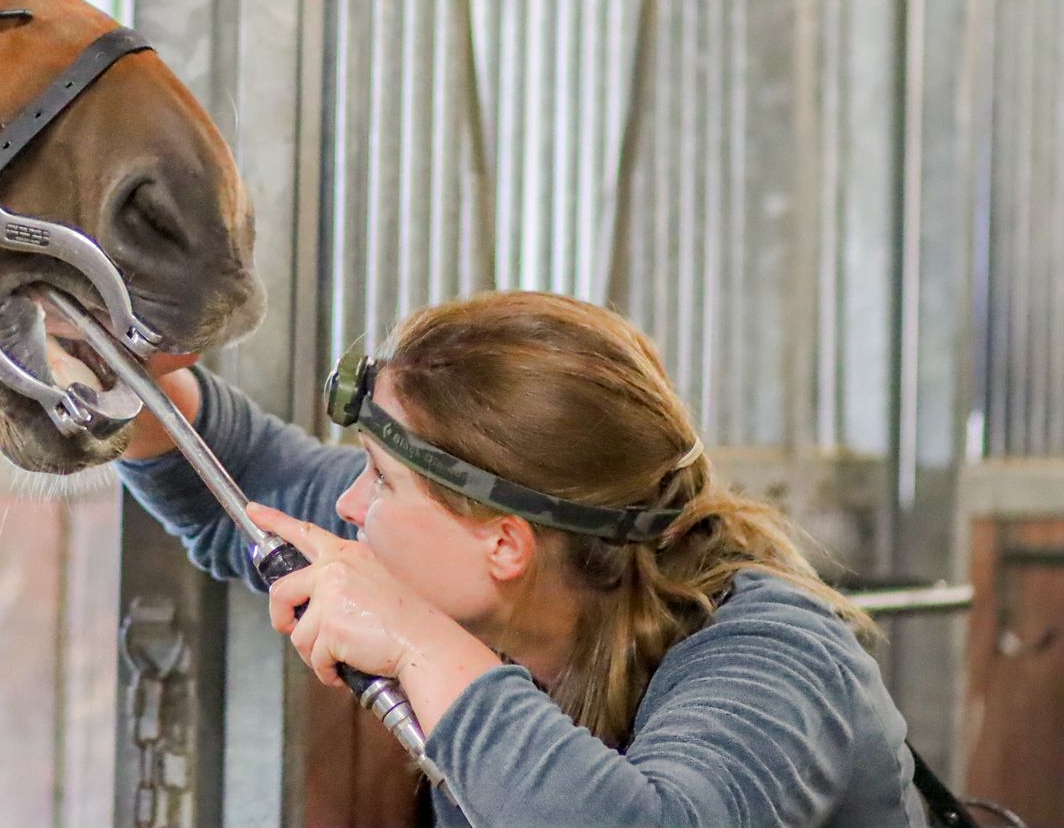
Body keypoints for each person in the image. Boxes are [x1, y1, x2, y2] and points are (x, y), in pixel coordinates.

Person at [117, 290, 930, 828]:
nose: (348, 507)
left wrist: (416, 645)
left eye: (380, 479)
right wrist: (121, 373)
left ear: (506, 543)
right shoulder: (490, 557)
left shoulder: (772, 655)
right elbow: (251, 477)